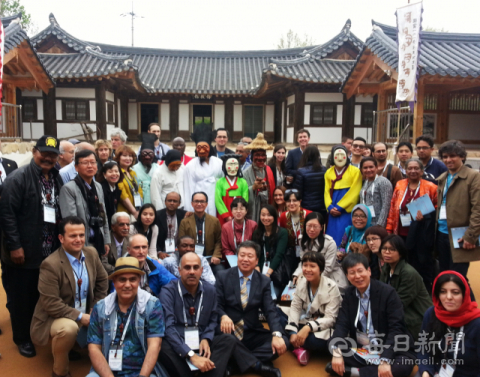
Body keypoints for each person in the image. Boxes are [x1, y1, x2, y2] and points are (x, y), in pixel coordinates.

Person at [160, 252, 275, 377]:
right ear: (179, 270)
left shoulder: (210, 290)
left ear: (202, 270)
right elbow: (169, 328)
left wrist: (206, 338)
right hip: (179, 344)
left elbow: (213, 319)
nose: (192, 271)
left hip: (202, 343)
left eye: (195, 267)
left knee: (228, 339)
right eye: (187, 267)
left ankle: (204, 370)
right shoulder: (168, 291)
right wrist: (191, 355)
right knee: (162, 345)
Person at [0, 135, 63, 357]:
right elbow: (7, 215)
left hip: (50, 250)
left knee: (43, 296)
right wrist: (14, 246)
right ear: (34, 151)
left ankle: (40, 334)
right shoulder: (17, 179)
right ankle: (22, 338)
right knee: (21, 298)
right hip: (24, 251)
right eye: (44, 153)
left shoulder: (57, 178)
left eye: (53, 155)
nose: (48, 158)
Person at [30, 216, 108, 377]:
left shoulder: (91, 253)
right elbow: (51, 304)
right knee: (68, 329)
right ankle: (60, 371)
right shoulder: (50, 265)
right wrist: (81, 317)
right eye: (73, 236)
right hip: (54, 316)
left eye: (81, 235)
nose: (78, 239)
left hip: (86, 310)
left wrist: (96, 306)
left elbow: (102, 281)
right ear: (61, 238)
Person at [326, 253, 415, 377]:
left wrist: (385, 359)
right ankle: (369, 371)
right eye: (352, 273)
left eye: (360, 271)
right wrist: (336, 353)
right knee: (335, 346)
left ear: (369, 271)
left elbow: (397, 329)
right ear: (347, 276)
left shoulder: (388, 293)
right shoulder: (349, 294)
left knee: (403, 366)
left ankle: (354, 373)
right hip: (363, 347)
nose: (357, 276)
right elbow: (342, 324)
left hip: (389, 347)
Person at [86, 257, 169, 377]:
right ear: (114, 281)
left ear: (139, 281)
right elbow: (93, 348)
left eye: (132, 279)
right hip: (106, 371)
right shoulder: (100, 308)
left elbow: (155, 345)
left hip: (142, 372)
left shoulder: (152, 305)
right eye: (122, 280)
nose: (127, 285)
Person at [216, 241, 288, 368]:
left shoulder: (263, 281)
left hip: (251, 331)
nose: (245, 259)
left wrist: (276, 334)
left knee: (284, 341)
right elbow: (216, 304)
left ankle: (236, 363)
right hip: (229, 331)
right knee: (226, 341)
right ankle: (256, 364)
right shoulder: (223, 276)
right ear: (237, 257)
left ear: (256, 261)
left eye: (250, 256)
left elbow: (270, 310)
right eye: (242, 255)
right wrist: (223, 316)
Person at [279, 252, 342, 366]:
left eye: (312, 266)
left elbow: (331, 319)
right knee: (276, 312)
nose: (308, 269)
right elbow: (296, 306)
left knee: (317, 341)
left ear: (321, 269)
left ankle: (293, 344)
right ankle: (299, 346)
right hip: (304, 319)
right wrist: (293, 331)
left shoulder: (332, 287)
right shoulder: (302, 281)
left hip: (321, 327)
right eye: (305, 265)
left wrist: (308, 328)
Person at [417, 271, 480, 377]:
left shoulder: (476, 324)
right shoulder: (432, 314)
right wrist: (426, 372)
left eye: (455, 292)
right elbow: (424, 349)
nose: (449, 297)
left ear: (465, 294)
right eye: (443, 292)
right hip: (436, 372)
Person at [436, 140, 480, 281]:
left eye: (452, 156)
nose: (448, 160)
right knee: (444, 276)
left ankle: (470, 303)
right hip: (441, 233)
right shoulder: (443, 178)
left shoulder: (473, 177)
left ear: (462, 156)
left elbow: (478, 209)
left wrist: (471, 235)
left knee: (458, 279)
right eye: (445, 157)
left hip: (460, 235)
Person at [378, 235, 432, 340]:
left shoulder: (408, 273)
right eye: (384, 248)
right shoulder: (386, 267)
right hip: (400, 315)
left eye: (392, 249)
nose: (387, 252)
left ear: (401, 252)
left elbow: (399, 303)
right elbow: (380, 293)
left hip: (417, 320)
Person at [59, 149, 111, 257]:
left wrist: (106, 240)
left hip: (98, 240)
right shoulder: (69, 188)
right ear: (76, 167)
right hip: (81, 243)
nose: (90, 166)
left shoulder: (98, 186)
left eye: (93, 162)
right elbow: (70, 221)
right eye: (85, 163)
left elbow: (103, 214)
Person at [295, 212, 348, 292]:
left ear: (321, 227)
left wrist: (310, 281)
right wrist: (297, 274)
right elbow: (303, 261)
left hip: (330, 276)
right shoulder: (302, 240)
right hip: (310, 274)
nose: (311, 229)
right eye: (309, 226)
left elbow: (328, 268)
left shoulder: (330, 243)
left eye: (315, 226)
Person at [324, 145, 362, 246]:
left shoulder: (355, 171)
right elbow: (326, 192)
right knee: (330, 236)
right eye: (337, 155)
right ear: (332, 157)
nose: (340, 158)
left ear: (347, 156)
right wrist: (330, 206)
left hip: (345, 210)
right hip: (332, 210)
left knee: (344, 234)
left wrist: (340, 207)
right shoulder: (328, 172)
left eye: (342, 155)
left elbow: (355, 191)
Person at [183, 124, 223, 216]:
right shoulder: (190, 166)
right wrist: (189, 209)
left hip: (215, 200)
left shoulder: (219, 163)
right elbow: (188, 189)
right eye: (199, 148)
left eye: (205, 148)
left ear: (210, 148)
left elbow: (223, 183)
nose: (202, 151)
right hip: (198, 202)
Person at [178, 192, 223, 274]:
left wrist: (216, 255)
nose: (199, 204)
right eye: (196, 201)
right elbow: (181, 242)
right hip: (190, 259)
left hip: (210, 259)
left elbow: (218, 241)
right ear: (192, 203)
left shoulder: (214, 221)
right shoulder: (185, 222)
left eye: (202, 201)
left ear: (206, 204)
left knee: (220, 272)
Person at [252, 205, 288, 297]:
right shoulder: (257, 233)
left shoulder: (282, 232)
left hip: (275, 272)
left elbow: (279, 255)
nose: (266, 218)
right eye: (263, 215)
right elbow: (255, 253)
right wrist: (258, 273)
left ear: (274, 217)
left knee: (271, 297)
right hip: (260, 270)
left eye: (269, 215)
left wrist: (268, 274)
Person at [243, 133, 276, 223]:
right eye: (257, 155)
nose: (260, 158)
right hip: (254, 208)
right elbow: (242, 193)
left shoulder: (268, 169)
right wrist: (253, 188)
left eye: (263, 155)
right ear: (252, 156)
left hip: (267, 204)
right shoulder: (245, 173)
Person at [215, 154, 249, 226]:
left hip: (239, 210)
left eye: (235, 164)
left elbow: (245, 199)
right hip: (224, 209)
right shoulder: (220, 182)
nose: (233, 168)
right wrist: (226, 215)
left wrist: (239, 212)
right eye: (230, 164)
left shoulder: (243, 181)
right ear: (224, 166)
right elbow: (218, 200)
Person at [294, 145, 327, 218]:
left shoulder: (301, 171)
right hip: (321, 205)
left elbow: (299, 192)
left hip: (307, 205)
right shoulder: (324, 170)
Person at [359, 157, 392, 227]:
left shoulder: (383, 182)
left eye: (371, 167)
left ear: (376, 167)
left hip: (378, 223)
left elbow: (386, 206)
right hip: (366, 222)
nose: (368, 170)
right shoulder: (365, 182)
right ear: (361, 170)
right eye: (365, 168)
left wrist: (379, 225)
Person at [115, 145, 144, 219]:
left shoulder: (132, 172)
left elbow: (139, 191)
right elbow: (123, 195)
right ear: (118, 158)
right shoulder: (117, 172)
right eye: (124, 156)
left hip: (137, 210)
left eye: (130, 156)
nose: (128, 158)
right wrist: (134, 212)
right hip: (124, 212)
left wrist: (140, 210)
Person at [279, 189, 312, 254]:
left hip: (308, 250)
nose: (291, 203)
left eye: (294, 200)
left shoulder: (309, 215)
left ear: (300, 201)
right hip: (290, 252)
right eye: (288, 201)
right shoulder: (283, 216)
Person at [156, 191, 187, 258]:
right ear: (165, 202)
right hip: (161, 252)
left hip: (178, 252)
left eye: (175, 201)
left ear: (179, 204)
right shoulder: (157, 215)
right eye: (169, 200)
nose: (172, 203)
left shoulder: (184, 215)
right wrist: (159, 252)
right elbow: (152, 237)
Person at [132, 133, 159, 204]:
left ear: (154, 155)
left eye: (150, 154)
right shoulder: (133, 169)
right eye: (144, 154)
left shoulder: (158, 168)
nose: (147, 157)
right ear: (140, 155)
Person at [99, 161, 122, 228]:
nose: (114, 174)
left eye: (116, 171)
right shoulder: (101, 188)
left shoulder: (116, 188)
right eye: (110, 172)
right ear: (104, 174)